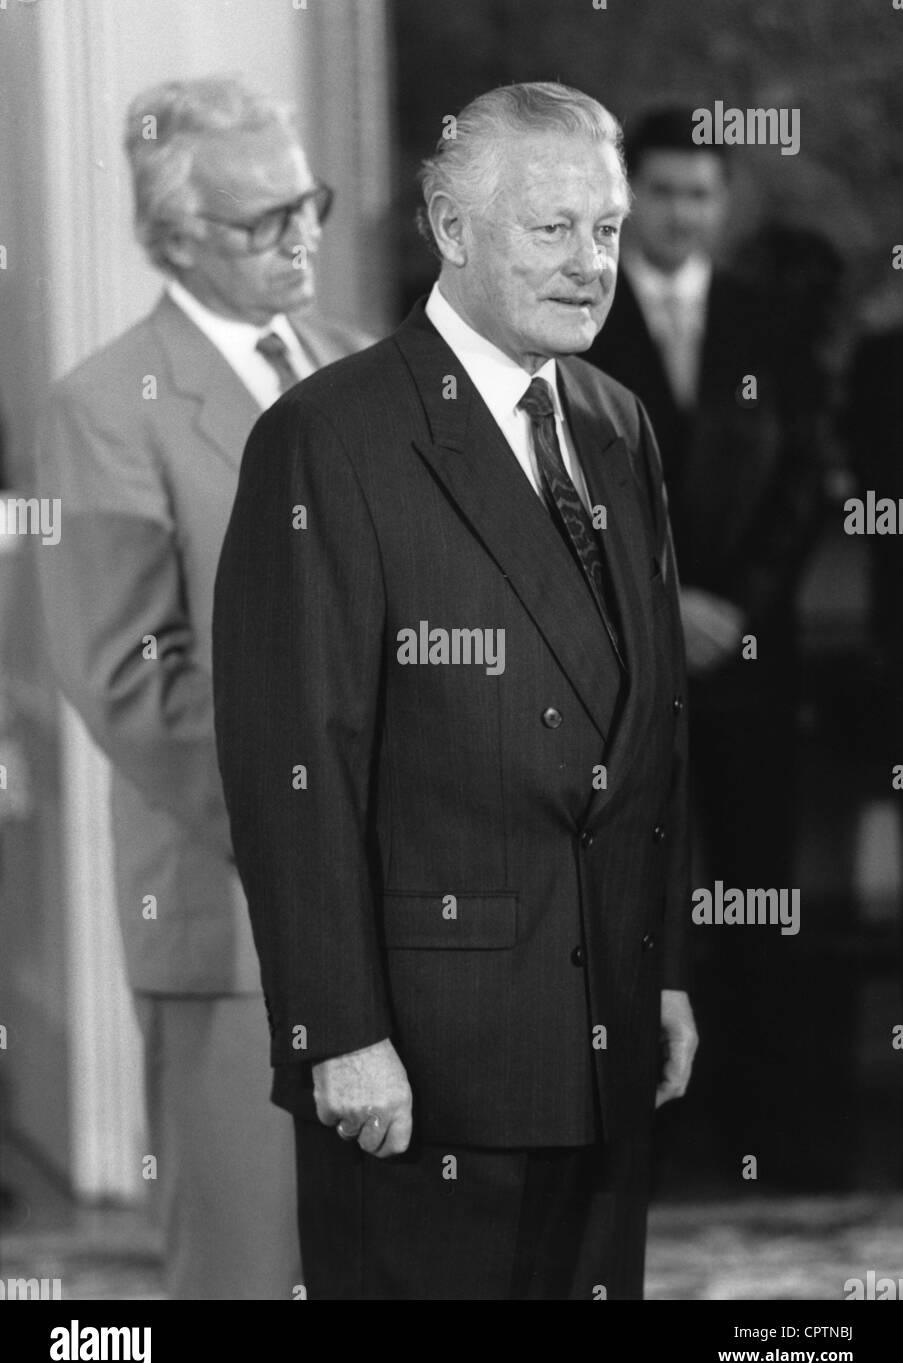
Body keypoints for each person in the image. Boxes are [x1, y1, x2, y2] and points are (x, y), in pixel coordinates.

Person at [213, 81, 696, 1301]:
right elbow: (291, 760)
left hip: (607, 1035)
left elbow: (658, 725)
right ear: (451, 227)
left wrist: (671, 965)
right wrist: (339, 1032)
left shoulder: (617, 423)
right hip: (423, 1063)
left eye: (607, 231)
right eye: (554, 230)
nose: (592, 265)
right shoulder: (328, 437)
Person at [35, 76, 370, 1299]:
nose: (304, 236)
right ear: (175, 238)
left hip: (412, 909)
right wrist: (318, 839)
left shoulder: (361, 366)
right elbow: (128, 677)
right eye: (263, 218)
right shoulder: (104, 404)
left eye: (310, 201)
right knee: (246, 1271)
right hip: (234, 916)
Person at [582, 108, 826, 1185]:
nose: (682, 212)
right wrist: (663, 606)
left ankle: (776, 1132)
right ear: (631, 197)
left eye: (701, 193)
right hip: (618, 668)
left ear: (723, 205)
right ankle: (644, 1129)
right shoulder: (577, 314)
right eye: (665, 190)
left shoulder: (769, 320)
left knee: (760, 889)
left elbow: (805, 486)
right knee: (632, 893)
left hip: (751, 662)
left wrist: (732, 606)